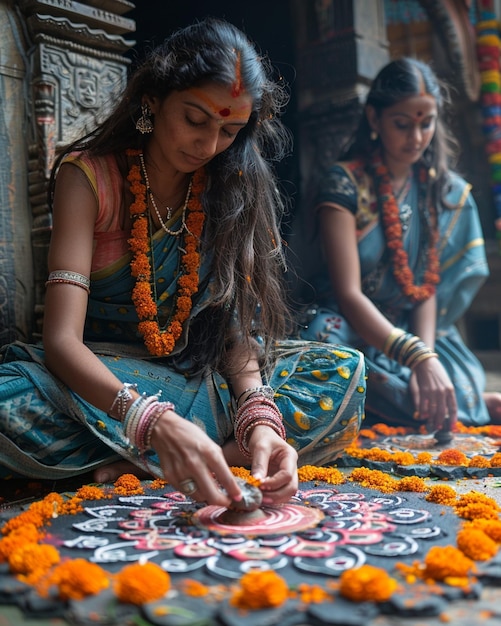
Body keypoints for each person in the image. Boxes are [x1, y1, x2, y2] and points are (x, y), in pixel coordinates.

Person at [0, 18, 366, 507]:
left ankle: (168, 456)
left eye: (230, 130)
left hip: (198, 377)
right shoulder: (89, 177)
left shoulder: (229, 186)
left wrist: (259, 420)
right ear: (152, 99)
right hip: (105, 385)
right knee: (8, 401)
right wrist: (151, 421)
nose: (209, 145)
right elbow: (62, 341)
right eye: (195, 119)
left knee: (345, 372)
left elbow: (234, 332)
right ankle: (196, 449)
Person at [297, 57, 501, 434]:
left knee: (436, 375)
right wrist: (416, 356)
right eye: (403, 125)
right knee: (326, 358)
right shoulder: (343, 183)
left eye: (427, 124)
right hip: (351, 322)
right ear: (374, 120)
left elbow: (425, 287)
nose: (417, 138)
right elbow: (348, 293)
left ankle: (437, 402)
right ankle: (467, 406)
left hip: (411, 324)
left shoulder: (438, 189)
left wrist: (423, 357)